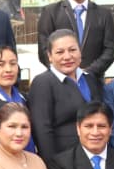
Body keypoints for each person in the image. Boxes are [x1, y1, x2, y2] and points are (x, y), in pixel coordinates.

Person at [37, 0, 114, 82]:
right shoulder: (50, 12)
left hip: (93, 83)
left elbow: (109, 51)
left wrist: (85, 74)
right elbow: (43, 50)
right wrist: (65, 74)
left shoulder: (104, 14)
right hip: (60, 84)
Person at [30, 29, 106, 159]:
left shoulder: (90, 79)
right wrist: (53, 166)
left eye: (72, 50)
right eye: (60, 52)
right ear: (49, 56)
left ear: (80, 51)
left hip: (95, 157)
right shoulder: (43, 82)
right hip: (63, 160)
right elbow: (42, 130)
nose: (67, 56)